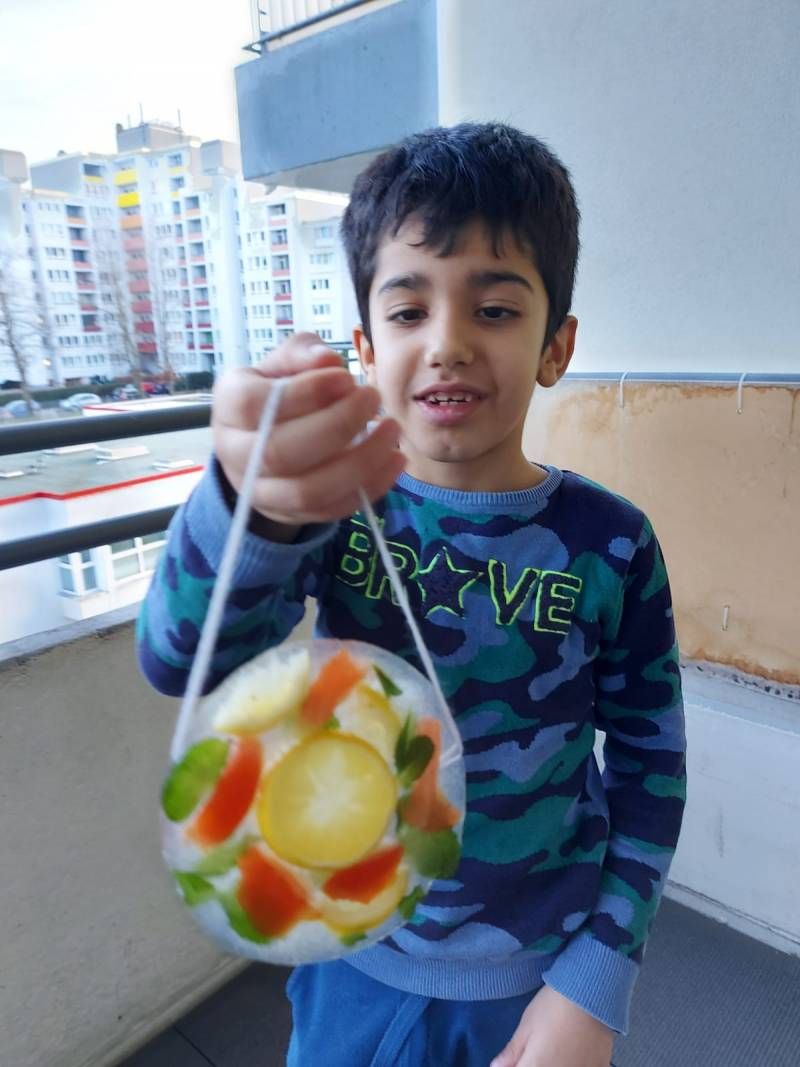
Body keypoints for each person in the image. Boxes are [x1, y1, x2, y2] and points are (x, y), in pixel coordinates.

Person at [138, 122, 686, 1067]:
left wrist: (595, 980)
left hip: (536, 986)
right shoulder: (335, 515)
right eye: (407, 310)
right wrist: (252, 505)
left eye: (496, 309)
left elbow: (650, 770)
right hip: (352, 960)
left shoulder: (613, 543)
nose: (447, 344)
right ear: (365, 345)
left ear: (556, 347)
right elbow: (178, 659)